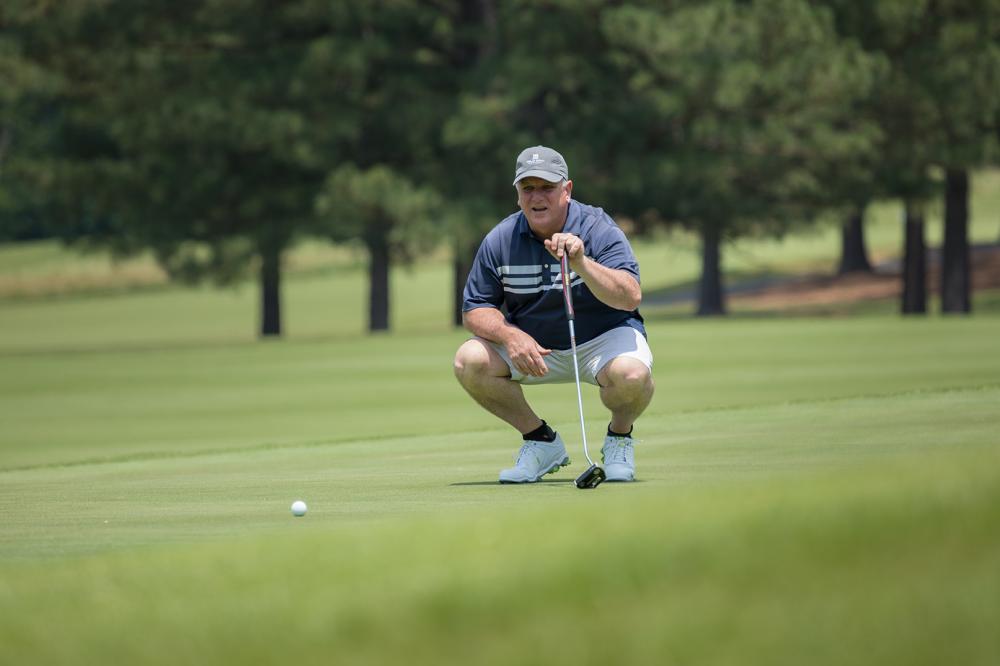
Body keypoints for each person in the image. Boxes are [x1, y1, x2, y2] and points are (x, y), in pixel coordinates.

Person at [454, 145, 654, 483]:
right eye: (527, 188)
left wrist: (581, 263)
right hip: (533, 346)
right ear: (517, 194)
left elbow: (630, 296)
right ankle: (540, 441)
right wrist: (510, 335)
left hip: (602, 341)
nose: (537, 197)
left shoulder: (598, 228)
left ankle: (619, 437)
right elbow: (475, 309)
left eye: (547, 187)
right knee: (468, 359)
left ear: (567, 190)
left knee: (632, 377)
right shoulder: (500, 239)